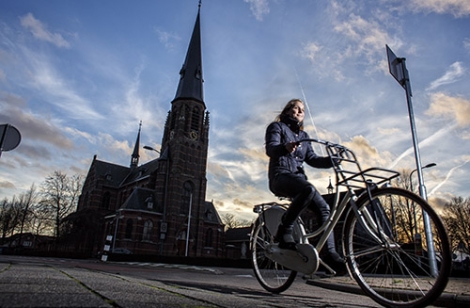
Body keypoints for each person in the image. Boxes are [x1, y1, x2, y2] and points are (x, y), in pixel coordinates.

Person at [265, 98, 343, 263]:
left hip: (298, 180)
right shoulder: (276, 127)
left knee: (324, 208)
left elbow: (313, 159)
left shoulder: (304, 137)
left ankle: (330, 254)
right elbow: (271, 149)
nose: (300, 111)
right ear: (287, 111)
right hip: (280, 176)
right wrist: (284, 148)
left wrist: (332, 160)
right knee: (308, 189)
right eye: (296, 108)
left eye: (303, 110)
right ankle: (284, 231)